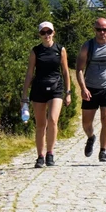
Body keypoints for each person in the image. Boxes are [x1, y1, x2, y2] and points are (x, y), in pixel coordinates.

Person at [21, 21, 72, 168]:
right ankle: (40, 156)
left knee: (53, 120)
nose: (46, 35)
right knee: (40, 124)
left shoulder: (60, 49)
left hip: (56, 87)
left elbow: (65, 71)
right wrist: (24, 95)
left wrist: (68, 92)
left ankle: (50, 153)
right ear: (39, 35)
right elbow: (30, 73)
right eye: (43, 33)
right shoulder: (35, 51)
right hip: (39, 88)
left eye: (48, 32)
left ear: (53, 33)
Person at [76, 17, 106, 162]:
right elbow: (79, 69)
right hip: (90, 88)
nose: (102, 32)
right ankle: (91, 137)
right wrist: (83, 88)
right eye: (99, 29)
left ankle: (103, 150)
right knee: (86, 123)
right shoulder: (87, 46)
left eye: (105, 29)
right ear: (94, 30)